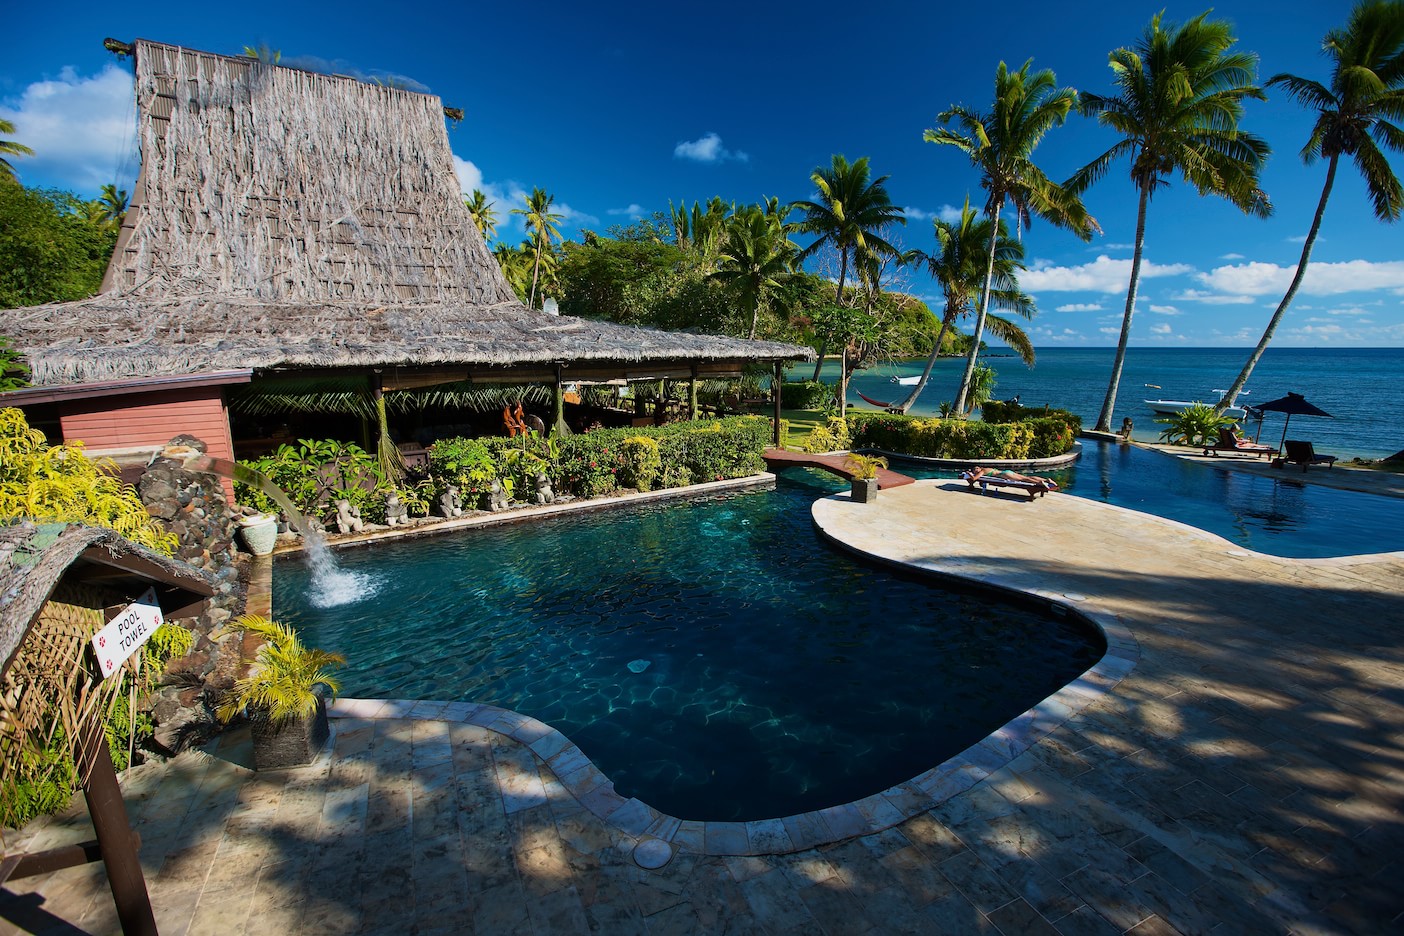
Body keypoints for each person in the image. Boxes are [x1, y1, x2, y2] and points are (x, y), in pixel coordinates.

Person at [967, 466, 1059, 490]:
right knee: (1027, 477)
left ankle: (1040, 483)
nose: (976, 472)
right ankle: (1046, 480)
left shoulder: (982, 471)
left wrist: (969, 474)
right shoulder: (986, 468)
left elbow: (974, 479)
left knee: (1025, 480)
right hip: (1007, 472)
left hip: (1004, 475)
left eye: (975, 470)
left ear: (977, 469)